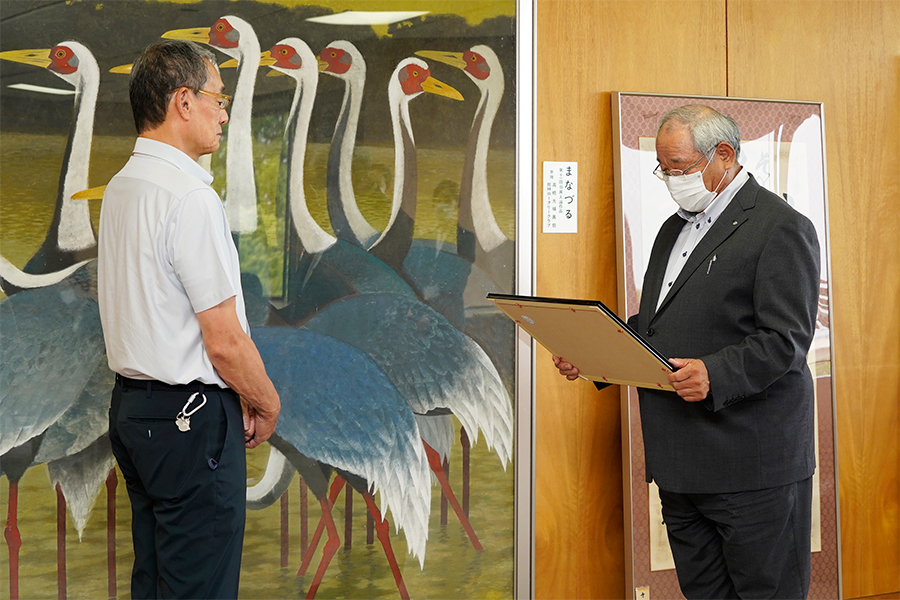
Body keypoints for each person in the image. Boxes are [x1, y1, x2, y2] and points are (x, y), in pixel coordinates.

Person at [554, 105, 820, 599]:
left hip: (752, 466)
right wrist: (594, 353)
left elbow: (786, 340)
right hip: (680, 463)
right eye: (664, 169)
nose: (671, 179)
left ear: (723, 155)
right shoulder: (672, 229)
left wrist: (715, 373)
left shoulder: (780, 227)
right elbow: (657, 327)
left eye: (679, 167)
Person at [97, 39, 280, 599]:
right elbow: (223, 341)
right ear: (183, 101)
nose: (224, 113)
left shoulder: (123, 187)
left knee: (155, 584)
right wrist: (267, 402)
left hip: (134, 413)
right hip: (189, 422)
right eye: (217, 99)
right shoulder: (190, 198)